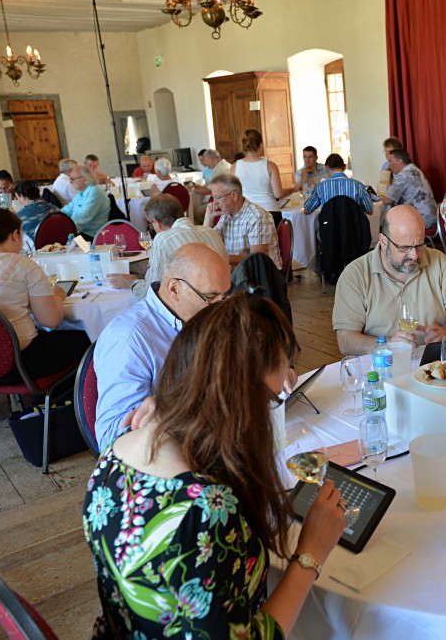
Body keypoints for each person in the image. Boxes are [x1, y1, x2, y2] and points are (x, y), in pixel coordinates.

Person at [84, 292, 346, 638]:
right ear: (240, 399)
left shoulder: (113, 457)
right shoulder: (206, 512)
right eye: (271, 398)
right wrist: (310, 554)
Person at [93, 243, 232, 451]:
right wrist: (171, 411)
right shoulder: (128, 340)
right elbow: (110, 441)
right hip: (172, 455)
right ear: (174, 289)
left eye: (225, 297)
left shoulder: (202, 315)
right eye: (211, 298)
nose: (223, 308)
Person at [0, 208, 90, 384]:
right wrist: (58, 295)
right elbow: (50, 321)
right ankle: (68, 398)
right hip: (18, 364)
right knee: (88, 337)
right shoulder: (23, 265)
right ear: (16, 234)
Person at [333, 205, 446, 355]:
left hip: (432, 364)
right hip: (380, 367)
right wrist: (388, 345)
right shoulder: (355, 274)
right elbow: (346, 341)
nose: (415, 256)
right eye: (405, 248)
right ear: (383, 241)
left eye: (419, 245)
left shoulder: (440, 262)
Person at [103, 194, 227, 299]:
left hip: (192, 311)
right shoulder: (211, 232)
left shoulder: (163, 239)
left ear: (156, 222)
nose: (153, 228)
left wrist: (131, 282)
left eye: (151, 224)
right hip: (222, 303)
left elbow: (150, 291)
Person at [204, 174, 282, 269]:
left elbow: (256, 259)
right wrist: (208, 219)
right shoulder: (226, 214)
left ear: (234, 195)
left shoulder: (257, 216)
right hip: (239, 273)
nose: (214, 202)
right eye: (213, 198)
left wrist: (221, 257)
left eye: (217, 197)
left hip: (260, 277)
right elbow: (209, 243)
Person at [232, 128, 296, 212]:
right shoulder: (270, 166)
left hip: (245, 212)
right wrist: (293, 189)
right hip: (269, 211)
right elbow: (279, 194)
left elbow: (233, 195)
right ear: (261, 145)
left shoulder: (234, 167)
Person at [382, 149, 437, 230]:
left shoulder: (404, 175)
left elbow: (386, 200)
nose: (389, 165)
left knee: (390, 227)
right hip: (431, 217)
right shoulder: (414, 169)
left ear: (400, 161)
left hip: (422, 220)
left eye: (390, 161)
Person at [302, 153, 372, 214]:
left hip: (329, 228)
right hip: (353, 228)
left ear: (326, 168)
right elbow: (370, 211)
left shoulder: (321, 187)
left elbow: (307, 210)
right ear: (344, 167)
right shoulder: (358, 185)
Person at [61, 161, 110, 239]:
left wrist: (62, 229)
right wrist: (55, 218)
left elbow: (82, 219)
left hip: (91, 237)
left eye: (73, 178)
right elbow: (66, 210)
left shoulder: (95, 192)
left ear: (84, 179)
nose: (70, 182)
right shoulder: (81, 192)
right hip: (80, 233)